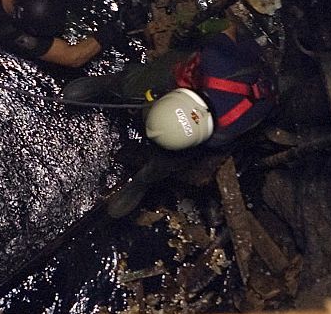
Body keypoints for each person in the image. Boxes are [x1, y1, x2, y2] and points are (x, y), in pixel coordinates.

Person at [62, 19, 276, 216]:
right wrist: (199, 30)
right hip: (213, 75)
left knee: (173, 158)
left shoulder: (223, 130)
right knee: (140, 83)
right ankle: (111, 83)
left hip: (236, 83)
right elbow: (227, 26)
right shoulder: (214, 58)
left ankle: (144, 179)